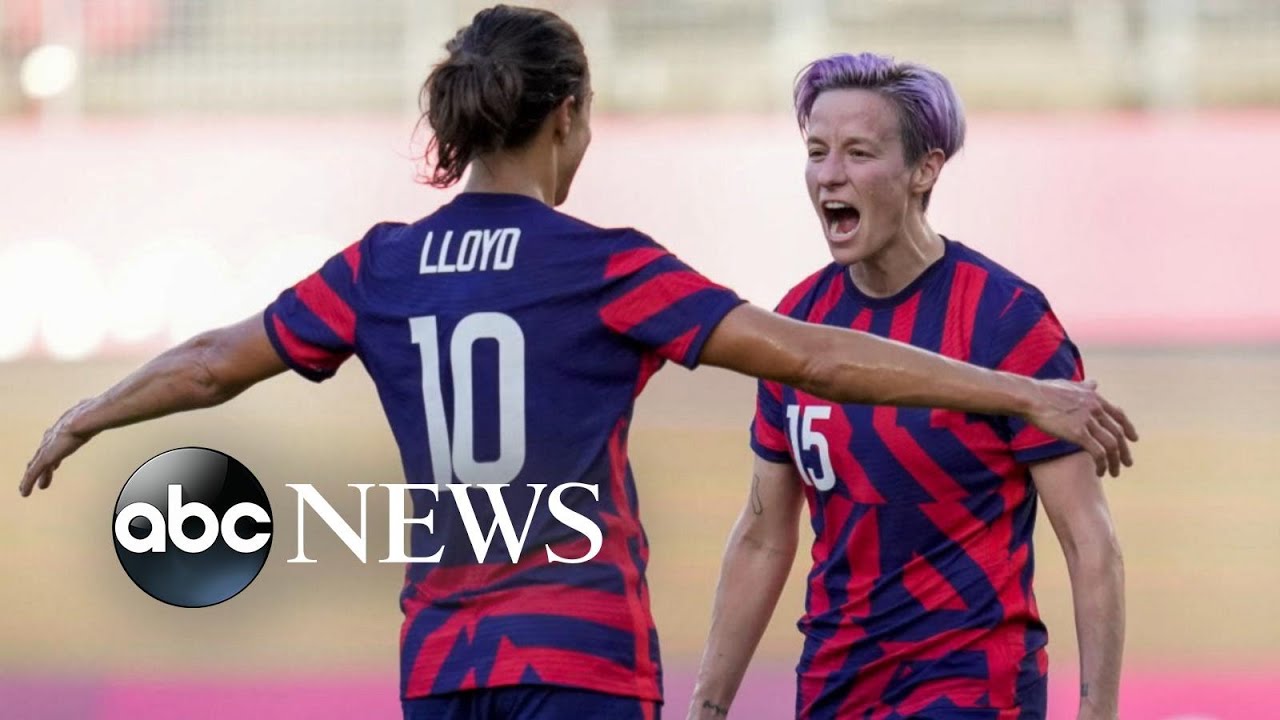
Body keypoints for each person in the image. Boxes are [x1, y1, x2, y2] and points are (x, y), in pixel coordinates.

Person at [19, 9, 1135, 720]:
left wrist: (92, 409)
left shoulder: (380, 268)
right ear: (564, 119)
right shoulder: (605, 270)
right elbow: (805, 356)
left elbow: (217, 362)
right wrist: (1018, 392)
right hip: (580, 657)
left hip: (443, 666)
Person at [688, 53, 1127, 720]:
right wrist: (708, 705)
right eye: (816, 151)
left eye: (859, 152)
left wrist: (1097, 714)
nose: (830, 174)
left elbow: (1090, 540)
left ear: (926, 169)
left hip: (972, 687)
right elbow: (762, 533)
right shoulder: (797, 325)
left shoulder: (1005, 319)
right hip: (835, 686)